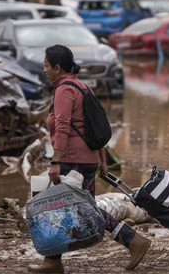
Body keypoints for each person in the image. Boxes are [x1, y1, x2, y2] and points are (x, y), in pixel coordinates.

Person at [28, 44, 151, 273]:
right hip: (87, 158)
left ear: (57, 67)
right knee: (81, 207)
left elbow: (64, 126)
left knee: (58, 206)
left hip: (72, 160)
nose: (44, 70)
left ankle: (54, 261)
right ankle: (54, 261)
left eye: (46, 65)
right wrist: (101, 159)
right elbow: (95, 127)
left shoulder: (64, 90)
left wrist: (55, 161)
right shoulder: (83, 87)